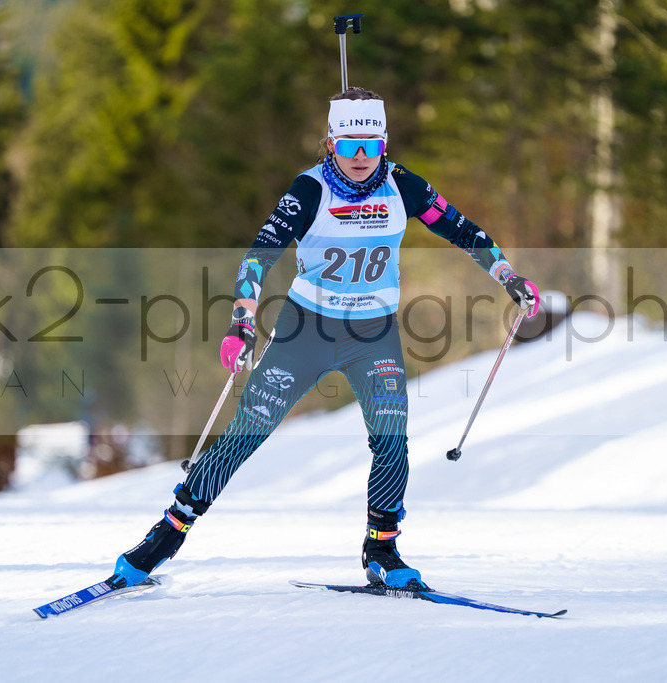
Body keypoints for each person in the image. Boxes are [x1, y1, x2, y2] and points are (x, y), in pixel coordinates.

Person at [109, 87, 539, 591]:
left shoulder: (404, 187)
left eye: (371, 146)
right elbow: (260, 254)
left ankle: (382, 549)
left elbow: (465, 231)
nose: (360, 157)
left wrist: (508, 276)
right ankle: (166, 535)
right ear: (331, 143)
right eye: (348, 145)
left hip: (373, 334)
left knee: (391, 436)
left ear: (384, 143)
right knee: (247, 433)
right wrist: (242, 320)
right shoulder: (310, 190)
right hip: (305, 331)